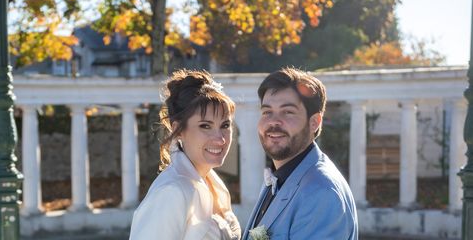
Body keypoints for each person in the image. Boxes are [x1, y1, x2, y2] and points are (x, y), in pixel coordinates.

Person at [242, 67, 358, 240]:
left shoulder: (321, 192)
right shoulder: (279, 177)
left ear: (314, 122)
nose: (274, 122)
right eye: (267, 112)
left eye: (288, 112)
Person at [129, 69, 241, 240]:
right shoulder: (172, 191)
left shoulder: (212, 183)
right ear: (178, 130)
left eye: (225, 125)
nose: (220, 139)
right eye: (205, 126)